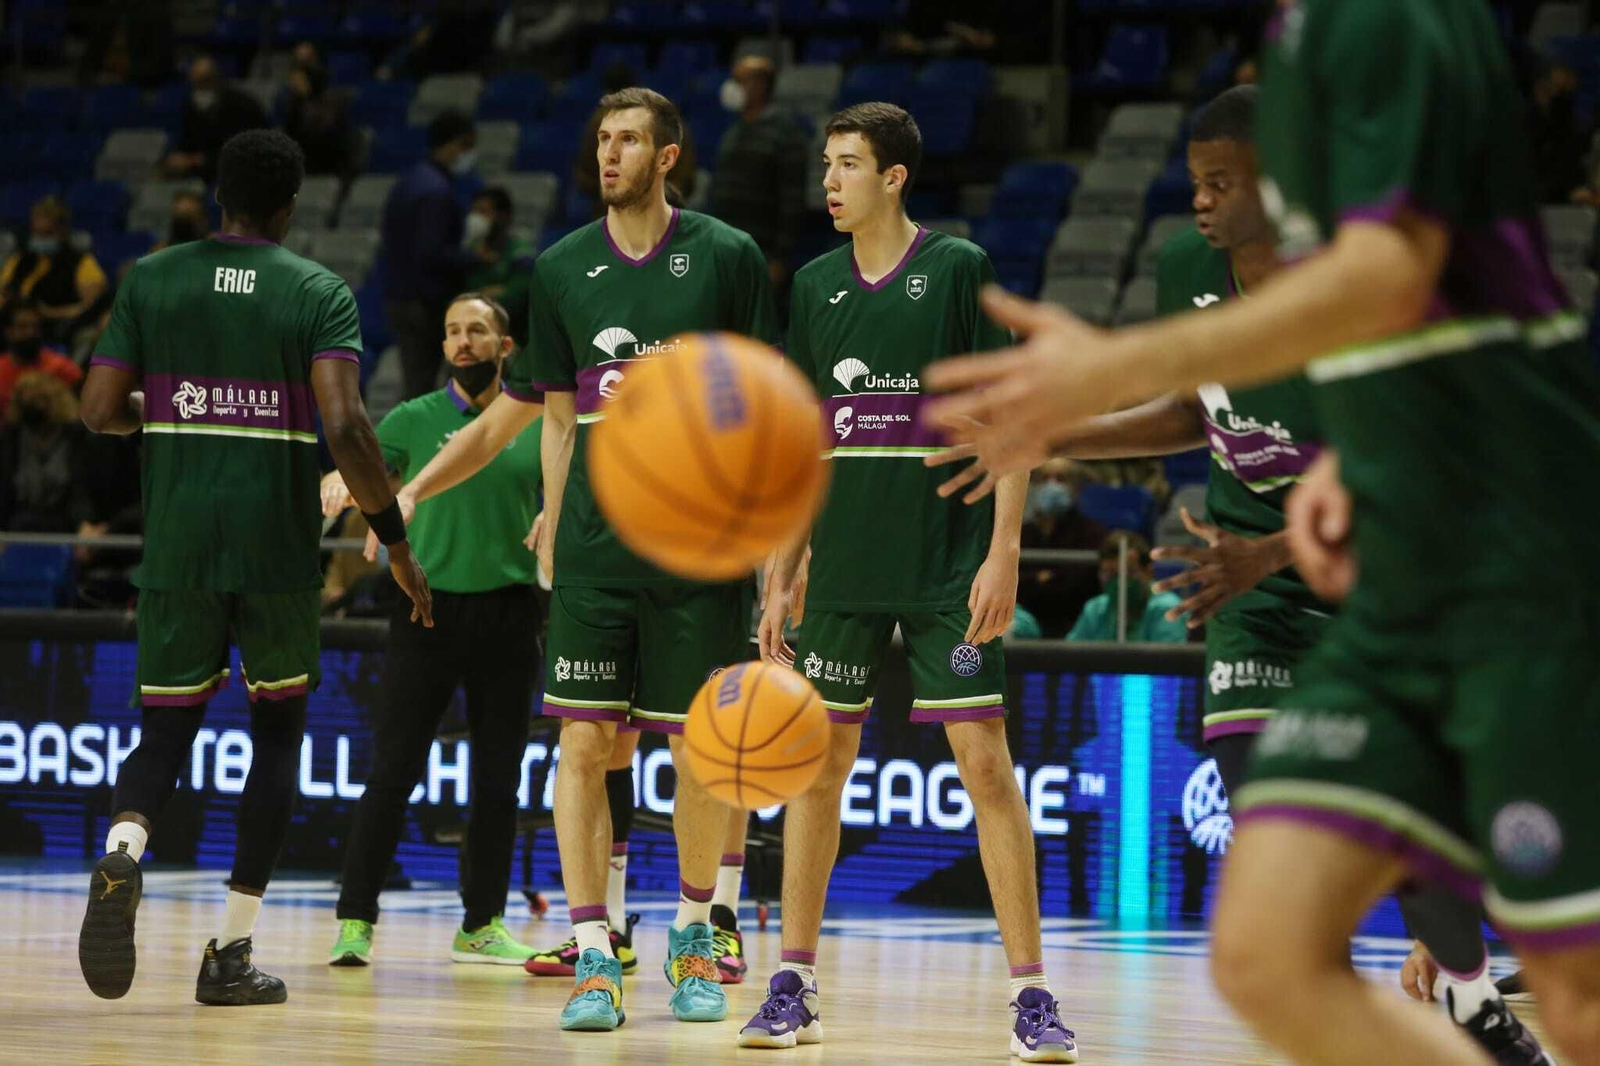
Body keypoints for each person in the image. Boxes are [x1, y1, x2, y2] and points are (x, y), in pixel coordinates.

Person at [921, 1, 1597, 1061]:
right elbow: (1328, 336)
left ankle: (1475, 967)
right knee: (1267, 951)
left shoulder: (1380, 18)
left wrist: (1110, 364)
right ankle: (1471, 995)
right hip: (1377, 562)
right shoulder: (1297, 33)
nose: (1202, 196)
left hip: (1501, 531)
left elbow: (1394, 266)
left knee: (1579, 994)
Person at [377, 87, 776, 1033]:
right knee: (585, 745)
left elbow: (762, 402)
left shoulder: (727, 257)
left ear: (668, 155)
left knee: (700, 752)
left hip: (700, 546)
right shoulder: (559, 268)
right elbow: (556, 416)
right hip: (597, 550)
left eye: (630, 140)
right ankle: (598, 952)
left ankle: (691, 933)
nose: (610, 154)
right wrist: (553, 522)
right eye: (602, 139)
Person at [744, 102, 1076, 1064]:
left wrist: (1004, 547)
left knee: (986, 768)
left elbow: (1010, 413)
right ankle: (793, 984)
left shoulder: (959, 269)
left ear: (894, 177)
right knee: (818, 773)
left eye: (847, 165)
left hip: (945, 564)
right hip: (841, 569)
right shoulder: (812, 285)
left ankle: (1032, 995)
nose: (829, 180)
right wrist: (780, 568)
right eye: (826, 163)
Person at [74, 128, 432, 1007]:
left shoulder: (152, 278)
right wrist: (391, 539)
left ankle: (122, 855)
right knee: (275, 739)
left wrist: (163, 419)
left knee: (163, 734)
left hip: (178, 544)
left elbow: (95, 409)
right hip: (273, 554)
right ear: (291, 205)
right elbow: (348, 428)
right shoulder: (316, 290)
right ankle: (230, 954)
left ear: (215, 192)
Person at [325, 292, 544, 968]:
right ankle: (356, 918)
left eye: (477, 330)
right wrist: (339, 478)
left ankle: (481, 922)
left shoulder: (533, 418)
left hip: (511, 612)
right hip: (426, 611)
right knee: (392, 772)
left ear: (506, 347)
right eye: (452, 331)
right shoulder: (415, 417)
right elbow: (360, 460)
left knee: (498, 780)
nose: (462, 342)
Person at [382, 109, 479, 401]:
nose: (469, 155)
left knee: (415, 385)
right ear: (453, 144)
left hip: (401, 296)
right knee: (421, 389)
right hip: (423, 303)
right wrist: (474, 258)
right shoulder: (435, 191)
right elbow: (431, 253)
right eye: (466, 147)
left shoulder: (409, 181)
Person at [710, 56, 807, 297]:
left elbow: (792, 199)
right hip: (728, 251)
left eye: (740, 80)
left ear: (761, 85)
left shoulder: (785, 133)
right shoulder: (732, 133)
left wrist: (780, 258)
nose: (732, 87)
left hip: (764, 252)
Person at [0, 197, 108, 345]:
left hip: (54, 330)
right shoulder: (19, 260)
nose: (40, 239)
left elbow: (89, 308)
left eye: (46, 234)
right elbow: (4, 291)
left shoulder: (81, 262)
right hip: (12, 329)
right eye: (36, 234)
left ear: (62, 230)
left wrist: (51, 313)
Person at [1018, 458, 1106, 638]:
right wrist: (1044, 578)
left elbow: (1079, 584)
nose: (1052, 485)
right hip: (1022, 625)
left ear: (1076, 487)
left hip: (1076, 627)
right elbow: (1012, 583)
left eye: (1061, 479)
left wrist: (1036, 579)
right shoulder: (1021, 533)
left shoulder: (1092, 533)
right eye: (1044, 478)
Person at [0, 371, 90, 532]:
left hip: (66, 520)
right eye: (25, 399)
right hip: (19, 520)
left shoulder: (77, 437)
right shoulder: (12, 438)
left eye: (38, 399)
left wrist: (84, 524)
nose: (31, 404)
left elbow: (81, 489)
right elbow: (5, 490)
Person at [1065, 531, 1188, 644]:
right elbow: (1069, 658)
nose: (1119, 582)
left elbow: (1168, 664)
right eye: (1110, 574)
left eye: (1128, 573)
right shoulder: (1095, 609)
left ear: (1149, 571)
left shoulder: (1168, 608)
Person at [162, 56, 269, 183]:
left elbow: (246, 151)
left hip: (242, 174)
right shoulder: (189, 106)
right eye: (196, 83)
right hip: (199, 174)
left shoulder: (242, 106)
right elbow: (183, 142)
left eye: (205, 81)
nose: (200, 89)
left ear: (217, 79)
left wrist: (197, 160)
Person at [463, 187, 537, 325]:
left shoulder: (521, 253)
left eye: (483, 212)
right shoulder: (470, 252)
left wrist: (480, 297)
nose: (476, 218)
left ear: (503, 217)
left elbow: (516, 299)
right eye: (474, 211)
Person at [282, 55, 357, 183]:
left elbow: (328, 141)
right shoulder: (293, 107)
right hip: (303, 169)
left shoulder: (329, 107)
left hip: (325, 168)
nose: (293, 84)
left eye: (299, 80)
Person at [0, 299, 83, 412]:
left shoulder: (62, 368)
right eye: (22, 326)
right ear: (7, 331)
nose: (30, 333)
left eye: (35, 326)